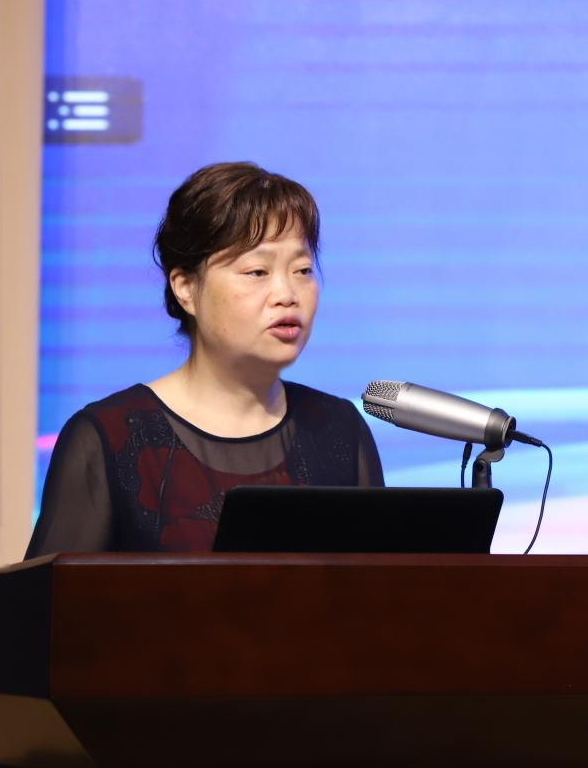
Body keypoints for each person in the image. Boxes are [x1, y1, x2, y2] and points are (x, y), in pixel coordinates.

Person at [25, 161, 384, 555]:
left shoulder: (338, 430)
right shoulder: (110, 438)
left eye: (302, 269)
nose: (287, 294)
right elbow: (50, 594)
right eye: (257, 271)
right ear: (185, 288)